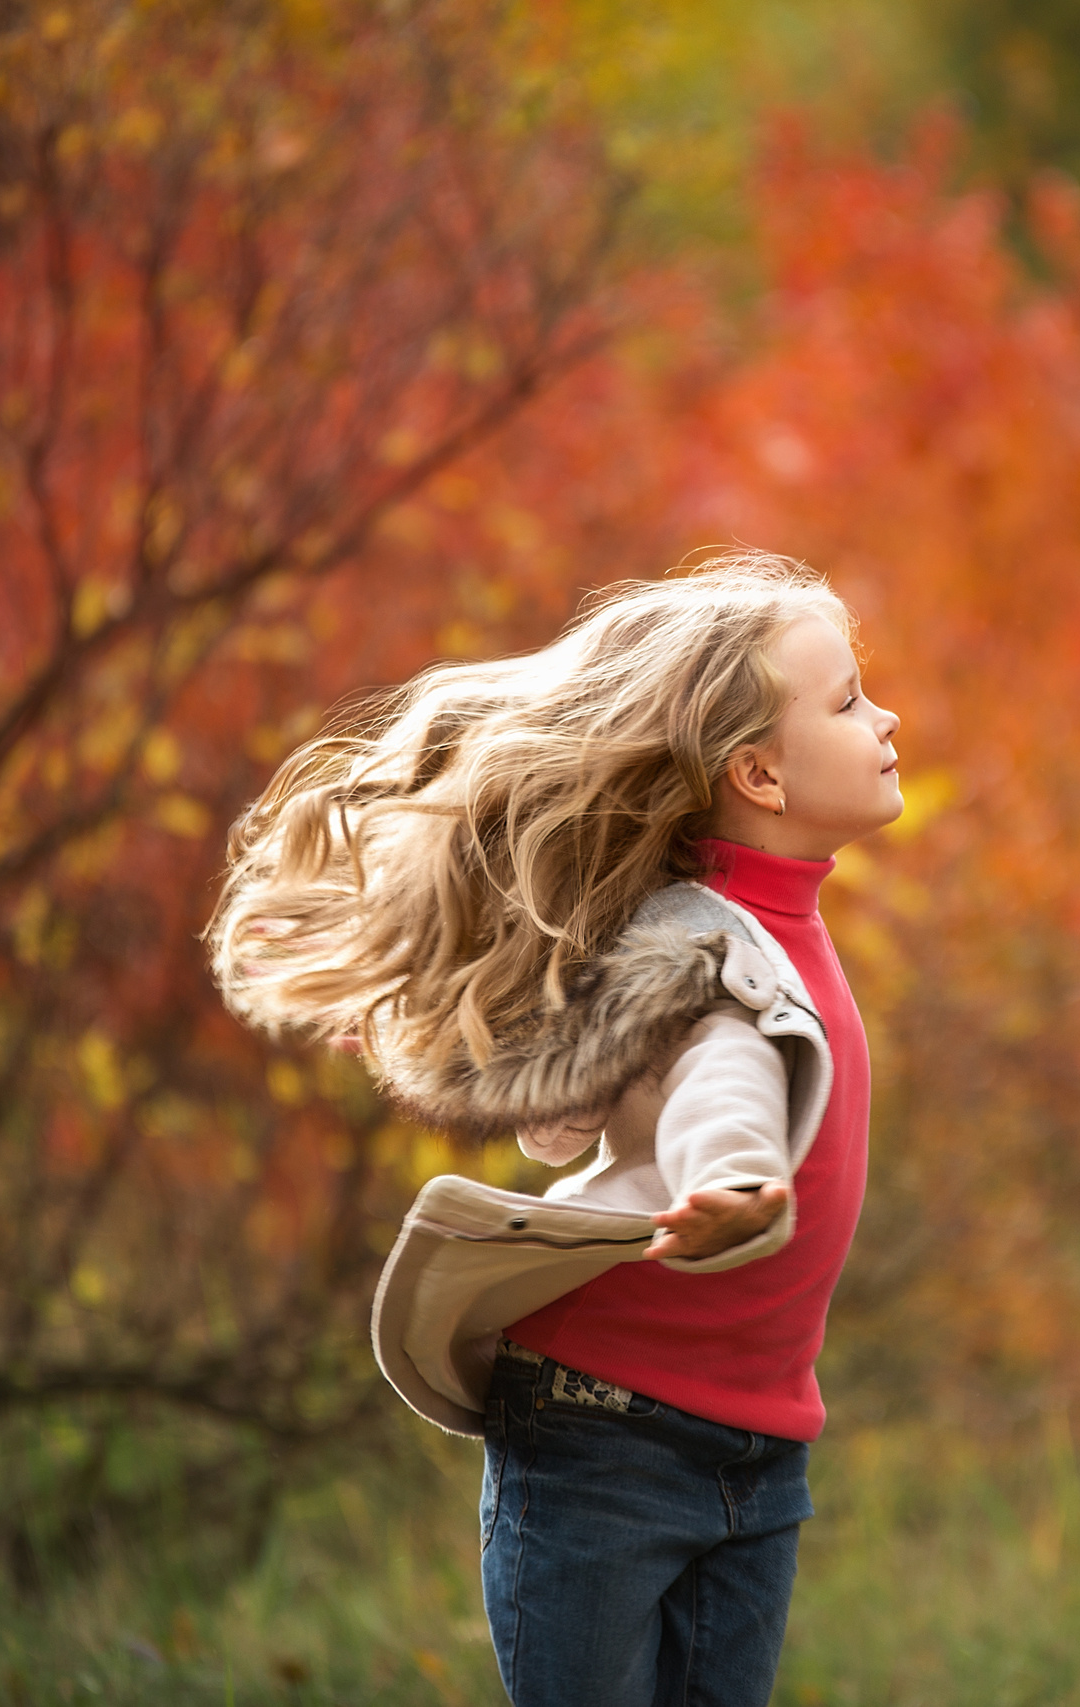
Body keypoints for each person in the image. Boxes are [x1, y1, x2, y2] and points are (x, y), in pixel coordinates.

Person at [207, 552, 902, 1707]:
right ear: (759, 776)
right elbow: (720, 1075)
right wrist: (734, 1176)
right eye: (846, 702)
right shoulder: (707, 946)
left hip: (758, 1446)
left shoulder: (775, 922)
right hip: (606, 1433)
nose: (885, 719)